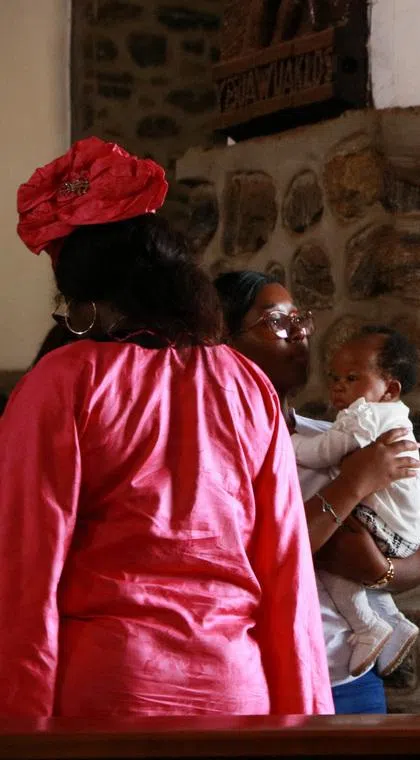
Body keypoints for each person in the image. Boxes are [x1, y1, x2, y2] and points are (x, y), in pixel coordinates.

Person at [0, 137, 331, 716]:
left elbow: (24, 572)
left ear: (85, 296)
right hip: (237, 695)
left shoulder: (64, 381)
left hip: (111, 695)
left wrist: (19, 723)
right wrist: (306, 722)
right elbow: (288, 573)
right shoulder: (246, 382)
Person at [215, 270, 420, 715]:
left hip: (348, 677)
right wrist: (352, 485)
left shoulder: (336, 435)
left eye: (301, 320)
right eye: (277, 322)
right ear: (224, 341)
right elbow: (262, 556)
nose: (299, 334)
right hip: (261, 678)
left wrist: (379, 568)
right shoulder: (221, 448)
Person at [293, 327, 420, 678]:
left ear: (390, 388)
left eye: (352, 378)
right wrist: (355, 482)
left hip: (347, 674)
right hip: (405, 525)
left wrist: (288, 444)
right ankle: (392, 621)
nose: (339, 386)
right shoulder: (385, 417)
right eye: (335, 378)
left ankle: (368, 624)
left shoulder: (358, 422)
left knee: (334, 552)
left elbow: (319, 453)